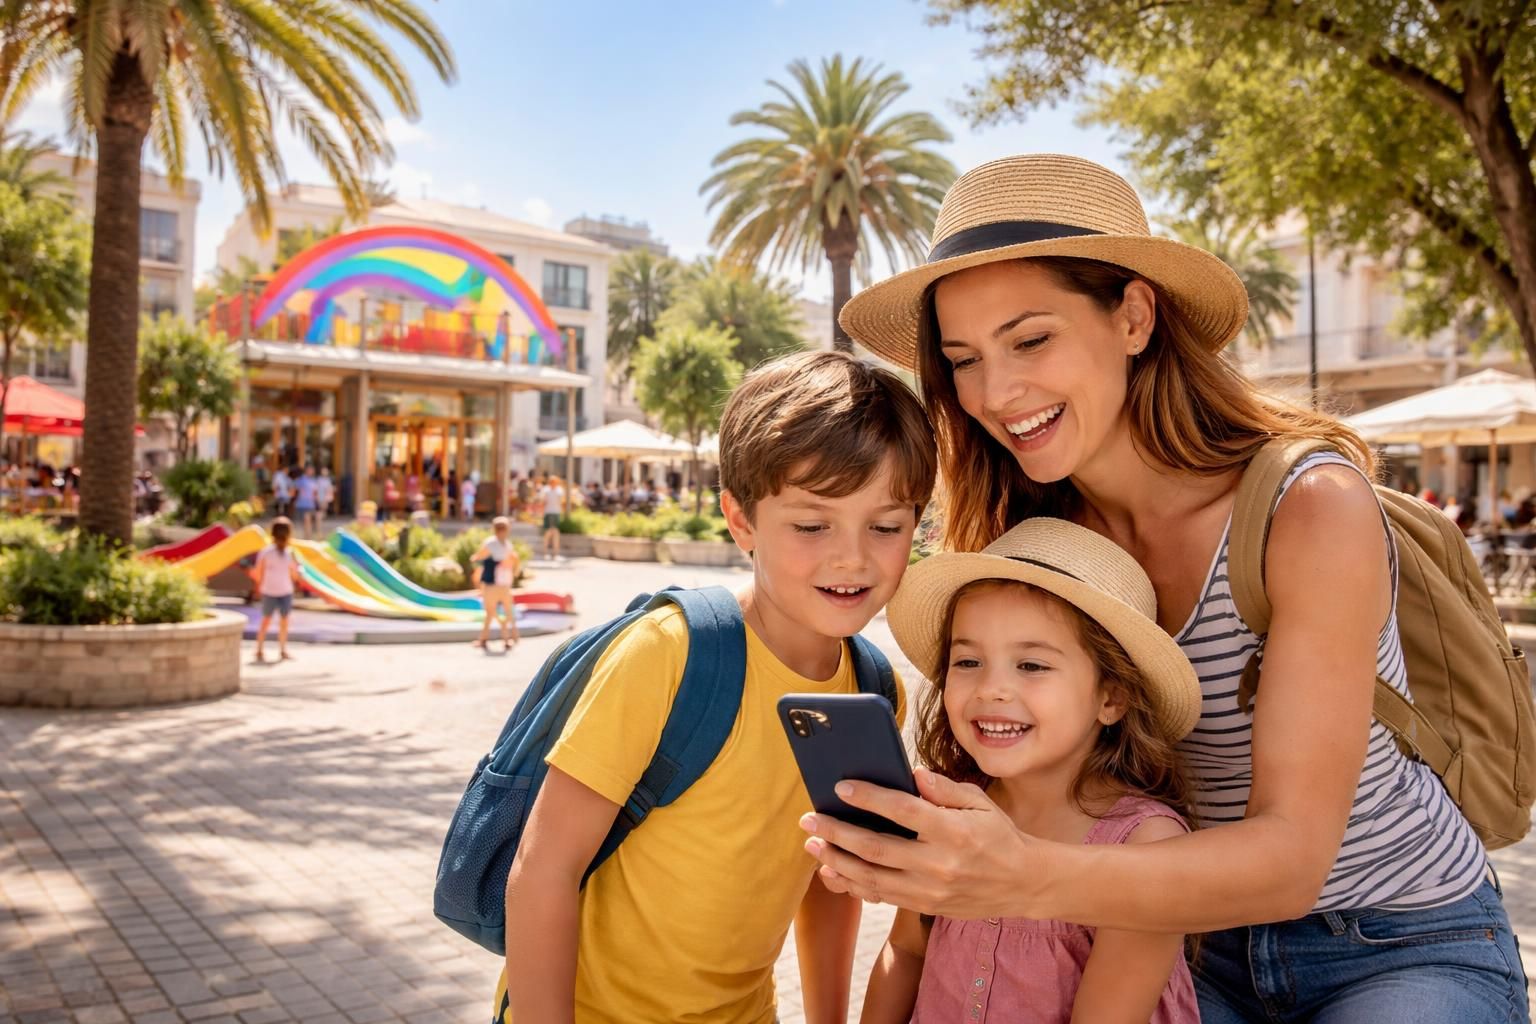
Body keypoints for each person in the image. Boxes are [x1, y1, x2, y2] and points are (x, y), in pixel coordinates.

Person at [807, 154, 1527, 1020]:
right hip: (1171, 941)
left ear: (1134, 317)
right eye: (963, 360)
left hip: (1394, 937)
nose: (995, 392)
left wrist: (1018, 875)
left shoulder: (1310, 508)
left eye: (1030, 340)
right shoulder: (1032, 539)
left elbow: (1293, 860)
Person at [494, 351, 937, 1024]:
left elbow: (829, 869)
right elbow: (542, 869)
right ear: (741, 520)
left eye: (886, 526)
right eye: (812, 525)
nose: (852, 557)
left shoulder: (873, 689)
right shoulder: (668, 655)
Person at [863, 518, 1201, 1023]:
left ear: (1112, 697)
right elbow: (906, 950)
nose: (991, 689)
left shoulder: (1144, 848)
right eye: (968, 662)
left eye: (1032, 666)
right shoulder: (949, 809)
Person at [251, 517, 301, 664]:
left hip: (284, 591)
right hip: (270, 592)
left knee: (282, 621)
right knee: (268, 620)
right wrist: (259, 587)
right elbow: (259, 571)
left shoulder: (289, 553)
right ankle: (260, 648)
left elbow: (293, 573)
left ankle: (282, 649)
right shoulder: (267, 552)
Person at [471, 516, 519, 651]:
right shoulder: (508, 545)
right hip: (505, 583)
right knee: (506, 611)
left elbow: (478, 557)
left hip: (491, 584)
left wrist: (474, 559)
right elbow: (514, 560)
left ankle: (484, 639)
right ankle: (506, 639)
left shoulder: (490, 543)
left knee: (490, 612)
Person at [538, 475, 565, 560]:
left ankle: (555, 554)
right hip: (548, 513)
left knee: (555, 533)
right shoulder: (546, 490)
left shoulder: (559, 490)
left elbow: (562, 501)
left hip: (556, 513)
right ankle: (545, 553)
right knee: (548, 533)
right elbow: (542, 502)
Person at [294, 464, 320, 538]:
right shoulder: (301, 480)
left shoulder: (313, 480)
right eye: (310, 470)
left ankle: (308, 536)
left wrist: (316, 503)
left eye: (312, 470)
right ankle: (307, 536)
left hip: (311, 504)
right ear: (306, 470)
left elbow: (315, 493)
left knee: (308, 520)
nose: (312, 472)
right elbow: (296, 490)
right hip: (302, 504)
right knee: (305, 521)